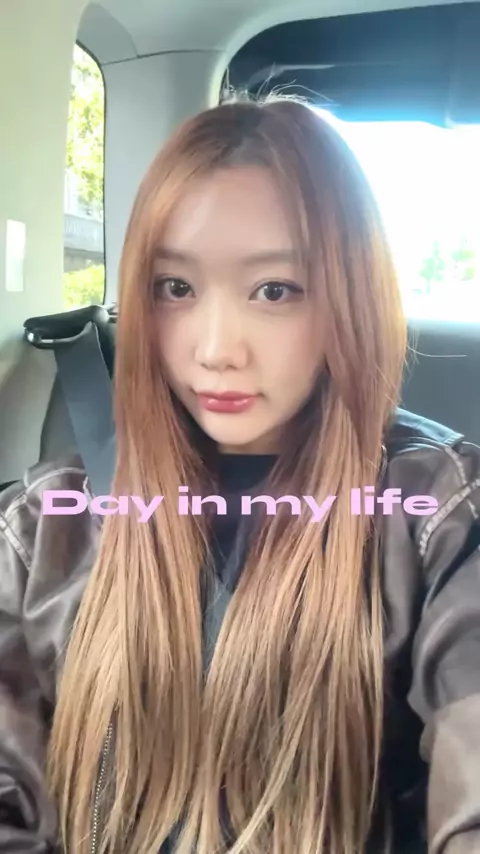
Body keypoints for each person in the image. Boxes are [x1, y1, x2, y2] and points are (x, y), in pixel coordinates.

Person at [0, 95, 479, 854]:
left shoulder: (437, 518)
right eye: (176, 289)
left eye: (274, 291)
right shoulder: (43, 525)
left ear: (349, 298)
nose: (217, 349)